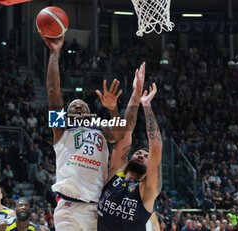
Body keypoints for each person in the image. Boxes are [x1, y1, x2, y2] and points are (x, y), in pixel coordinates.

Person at [38, 32, 124, 231]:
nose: (77, 107)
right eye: (73, 107)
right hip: (67, 206)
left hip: (96, 207)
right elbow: (53, 92)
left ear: (90, 114)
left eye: (82, 106)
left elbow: (119, 133)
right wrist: (54, 54)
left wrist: (112, 108)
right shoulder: (62, 131)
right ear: (66, 115)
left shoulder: (101, 130)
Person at [98, 70, 163, 230]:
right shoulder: (114, 176)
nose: (141, 155)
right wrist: (136, 93)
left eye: (145, 156)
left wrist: (147, 106)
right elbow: (126, 132)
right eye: (138, 153)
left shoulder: (147, 191)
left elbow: (155, 146)